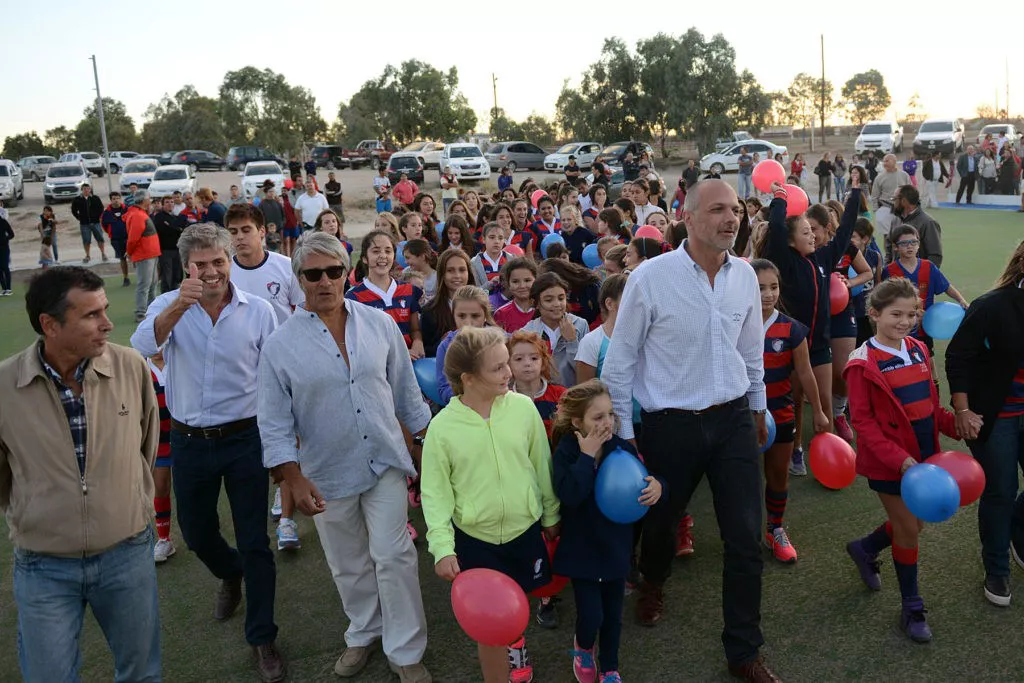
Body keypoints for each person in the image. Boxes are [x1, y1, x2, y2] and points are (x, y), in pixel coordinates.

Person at [602, 178, 778, 682]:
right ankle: (653, 580)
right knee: (660, 525)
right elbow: (620, 362)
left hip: (733, 421)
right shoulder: (650, 278)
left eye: (736, 210)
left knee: (745, 538)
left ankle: (744, 652)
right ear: (688, 216)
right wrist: (624, 436)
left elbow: (751, 351)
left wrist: (758, 407)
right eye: (718, 209)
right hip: (669, 426)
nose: (731, 218)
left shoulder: (744, 277)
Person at [255, 232, 433, 683]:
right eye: (313, 274)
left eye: (333, 271)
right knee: (347, 561)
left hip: (385, 461)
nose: (325, 281)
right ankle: (364, 632)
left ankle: (405, 650)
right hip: (325, 472)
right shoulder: (279, 346)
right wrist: (292, 477)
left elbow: (406, 392)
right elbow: (273, 422)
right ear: (299, 280)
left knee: (393, 554)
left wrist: (425, 443)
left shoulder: (380, 324)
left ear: (346, 273)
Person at [130, 223, 285, 682]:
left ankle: (262, 638)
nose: (212, 271)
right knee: (197, 534)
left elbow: (275, 376)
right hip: (189, 441)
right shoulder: (168, 305)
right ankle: (230, 572)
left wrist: (283, 439)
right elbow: (143, 344)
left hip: (245, 439)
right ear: (186, 267)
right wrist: (181, 303)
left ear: (229, 261)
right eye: (201, 264)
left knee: (255, 541)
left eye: (219, 261)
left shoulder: (258, 311)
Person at [0, 266, 161, 681]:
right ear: (49, 325)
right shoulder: (4, 387)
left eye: (105, 309)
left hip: (127, 552)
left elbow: (145, 445)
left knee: (141, 673)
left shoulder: (130, 366)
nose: (107, 323)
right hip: (43, 566)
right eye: (91, 315)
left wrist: (124, 504)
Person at [421, 326, 561, 683]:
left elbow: (541, 464)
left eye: (506, 363)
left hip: (524, 530)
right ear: (468, 378)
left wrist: (551, 515)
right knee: (489, 622)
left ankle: (516, 642)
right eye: (498, 367)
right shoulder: (442, 428)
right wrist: (442, 547)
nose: (508, 373)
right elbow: (435, 493)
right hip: (476, 539)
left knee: (518, 602)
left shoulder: (523, 409)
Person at [843, 278, 966, 643]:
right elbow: (862, 422)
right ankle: (912, 607)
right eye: (896, 314)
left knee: (915, 525)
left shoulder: (917, 348)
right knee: (909, 530)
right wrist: (899, 460)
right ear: (874, 314)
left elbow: (930, 406)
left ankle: (865, 548)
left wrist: (957, 424)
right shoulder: (862, 363)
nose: (905, 322)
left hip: (924, 457)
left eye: (911, 314)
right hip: (889, 463)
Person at [551, 379, 661, 683]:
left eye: (610, 414)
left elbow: (643, 479)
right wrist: (587, 456)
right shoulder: (567, 452)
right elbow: (570, 494)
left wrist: (657, 486)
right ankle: (584, 647)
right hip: (582, 553)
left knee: (613, 616)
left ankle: (610, 667)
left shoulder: (621, 449)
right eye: (598, 417)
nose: (608, 422)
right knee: (592, 615)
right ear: (578, 422)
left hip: (615, 550)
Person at [946, 239, 1024, 606]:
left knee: (1008, 499)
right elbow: (958, 357)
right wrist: (962, 410)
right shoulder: (991, 306)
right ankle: (996, 568)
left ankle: (1017, 532)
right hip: (997, 416)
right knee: (1000, 491)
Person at [752, 258, 829, 563]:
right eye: (760, 288)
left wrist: (819, 411)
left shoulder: (792, 329)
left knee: (778, 475)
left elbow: (806, 372)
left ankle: (775, 529)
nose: (768, 294)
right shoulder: (733, 323)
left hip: (781, 414)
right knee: (741, 479)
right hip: (743, 416)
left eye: (773, 287)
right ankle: (743, 533)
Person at [884, 224, 968, 358]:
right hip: (900, 326)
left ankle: (930, 373)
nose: (910, 246)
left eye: (913, 242)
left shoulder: (928, 267)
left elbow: (946, 286)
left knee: (927, 356)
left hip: (925, 326)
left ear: (919, 244)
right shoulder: (889, 271)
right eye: (904, 243)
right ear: (895, 247)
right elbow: (885, 300)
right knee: (902, 357)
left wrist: (961, 300)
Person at [522, 272, 589, 387]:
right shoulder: (528, 332)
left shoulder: (579, 325)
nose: (557, 304)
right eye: (549, 300)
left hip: (574, 393)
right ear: (536, 303)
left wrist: (572, 341)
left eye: (561, 298)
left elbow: (584, 370)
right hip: (542, 395)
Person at [434, 284, 496, 406]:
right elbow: (444, 389)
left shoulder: (500, 341)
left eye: (475, 316)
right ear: (453, 315)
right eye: (461, 316)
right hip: (464, 408)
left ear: (485, 316)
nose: (468, 322)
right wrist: (471, 394)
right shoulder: (446, 346)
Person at [125, 190, 162, 323]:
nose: (150, 201)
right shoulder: (137, 215)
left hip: (150, 253)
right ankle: (141, 312)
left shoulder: (139, 213)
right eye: (149, 198)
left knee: (151, 283)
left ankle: (151, 309)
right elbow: (133, 238)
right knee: (145, 284)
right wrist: (129, 252)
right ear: (144, 200)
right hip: (145, 254)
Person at [870, 154, 911, 261]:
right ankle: (888, 257)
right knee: (887, 236)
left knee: (902, 234)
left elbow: (910, 191)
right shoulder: (879, 177)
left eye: (887, 161)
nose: (885, 163)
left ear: (894, 161)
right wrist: (877, 211)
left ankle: (901, 257)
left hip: (902, 210)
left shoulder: (904, 175)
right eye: (884, 161)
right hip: (885, 208)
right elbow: (874, 195)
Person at [893, 185, 942, 267]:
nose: (893, 202)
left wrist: (921, 273)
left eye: (895, 199)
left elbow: (935, 256)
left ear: (904, 201)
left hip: (916, 274)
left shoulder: (928, 223)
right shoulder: (896, 220)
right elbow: (890, 251)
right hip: (897, 273)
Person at [494, 257, 538, 333]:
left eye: (527, 280)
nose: (522, 286)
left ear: (536, 280)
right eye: (515, 281)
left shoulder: (544, 310)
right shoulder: (501, 313)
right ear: (508, 284)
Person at [70, 183, 109, 263]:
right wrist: (79, 218)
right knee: (86, 240)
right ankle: (87, 255)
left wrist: (98, 217)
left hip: (96, 223)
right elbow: (73, 210)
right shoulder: (77, 199)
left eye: (88, 189)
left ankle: (103, 254)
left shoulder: (95, 198)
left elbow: (101, 208)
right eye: (84, 189)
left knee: (100, 239)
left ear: (90, 190)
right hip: (84, 224)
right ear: (82, 190)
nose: (86, 190)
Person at [152, 195, 183, 293]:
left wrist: (175, 228)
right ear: (162, 205)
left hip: (177, 250)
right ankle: (165, 298)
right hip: (165, 250)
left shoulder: (175, 217)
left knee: (177, 275)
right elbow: (166, 230)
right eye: (167, 202)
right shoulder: (159, 217)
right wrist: (177, 229)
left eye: (172, 202)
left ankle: (175, 296)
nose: (170, 204)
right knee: (167, 276)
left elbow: (181, 229)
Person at [101, 192, 131, 286]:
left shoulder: (127, 210)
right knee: (122, 258)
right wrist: (112, 233)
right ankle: (126, 278)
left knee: (135, 258)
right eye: (114, 199)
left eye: (118, 198)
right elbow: (104, 226)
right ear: (111, 200)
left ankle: (141, 276)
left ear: (120, 199)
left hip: (129, 238)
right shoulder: (106, 213)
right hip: (116, 240)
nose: (116, 200)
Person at [0, 212, 13, 295]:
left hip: (4, 248)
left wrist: (5, 239)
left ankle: (8, 289)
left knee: (5, 267)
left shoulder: (3, 222)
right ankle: (4, 289)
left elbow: (12, 234)